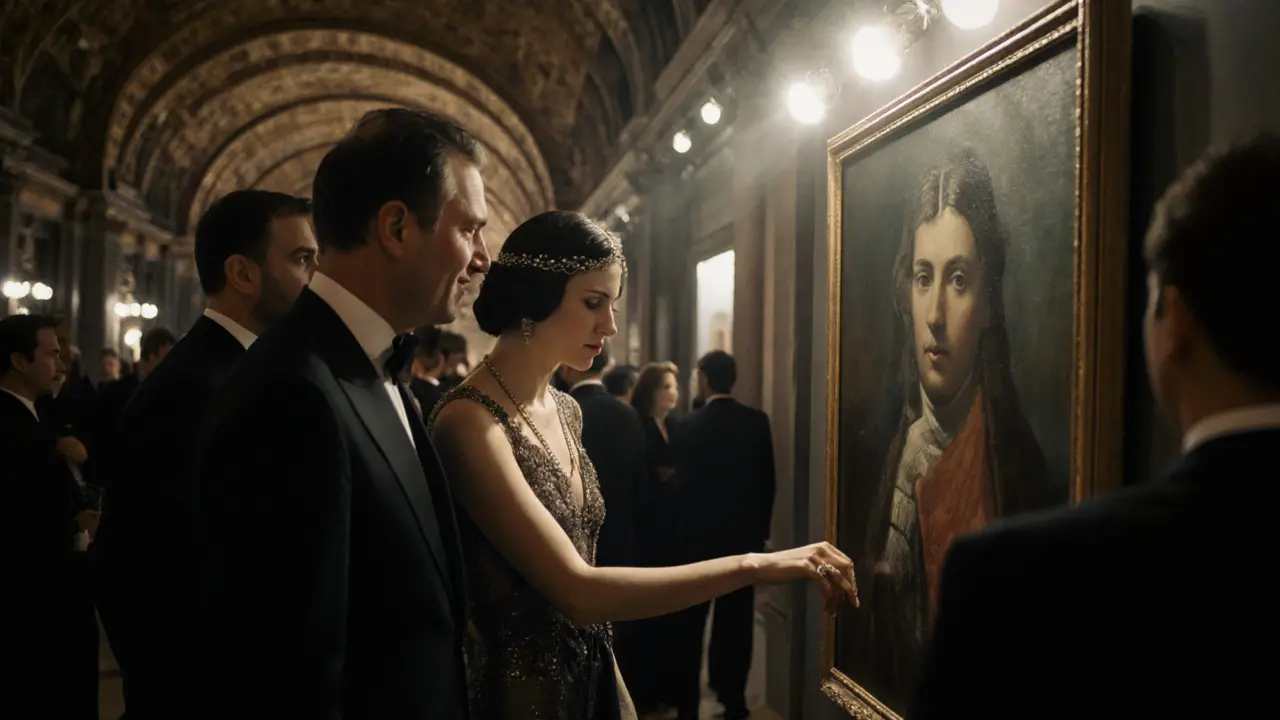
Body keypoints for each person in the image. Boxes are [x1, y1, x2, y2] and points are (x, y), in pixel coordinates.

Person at [430, 210, 857, 720]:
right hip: (519, 696)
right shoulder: (470, 423)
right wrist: (755, 564)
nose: (609, 326)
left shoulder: (566, 409)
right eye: (593, 303)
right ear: (535, 296)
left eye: (611, 305)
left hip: (591, 673)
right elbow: (579, 592)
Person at [914, 135, 1280, 718]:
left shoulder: (1012, 578)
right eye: (922, 276)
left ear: (1173, 322)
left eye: (958, 279)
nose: (934, 314)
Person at [190, 108, 490, 719]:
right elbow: (287, 672)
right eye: (470, 230)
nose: (482, 257)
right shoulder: (292, 392)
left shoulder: (373, 365)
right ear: (397, 227)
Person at [96, 190, 317, 718]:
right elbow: (147, 571)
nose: (317, 278)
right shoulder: (195, 388)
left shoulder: (242, 372)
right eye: (302, 259)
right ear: (243, 274)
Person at [0, 314, 97, 718]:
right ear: (20, 361)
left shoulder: (33, 423)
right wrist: (78, 525)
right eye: (51, 354)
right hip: (37, 616)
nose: (60, 365)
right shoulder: (14, 431)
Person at [673, 351, 777, 720]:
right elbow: (768, 482)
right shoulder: (756, 422)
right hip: (741, 537)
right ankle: (734, 699)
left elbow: (682, 487)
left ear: (703, 379)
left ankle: (687, 705)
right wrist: (760, 532)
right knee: (737, 620)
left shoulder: (687, 425)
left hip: (697, 539)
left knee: (690, 620)